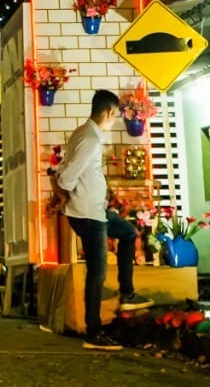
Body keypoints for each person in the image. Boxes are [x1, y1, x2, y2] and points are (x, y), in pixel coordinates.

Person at [56, 90, 154, 350]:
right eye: (115, 116)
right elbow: (66, 177)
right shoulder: (89, 139)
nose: (115, 121)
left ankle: (127, 293)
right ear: (108, 113)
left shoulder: (84, 133)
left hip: (94, 210)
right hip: (87, 213)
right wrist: (70, 189)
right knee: (97, 273)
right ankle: (93, 332)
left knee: (129, 233)